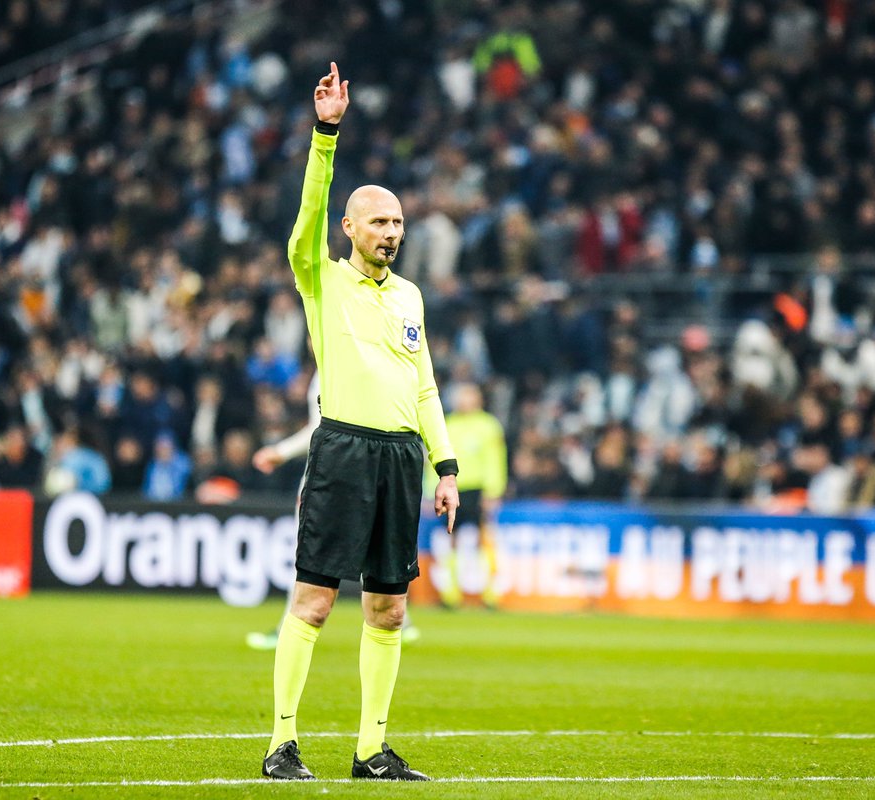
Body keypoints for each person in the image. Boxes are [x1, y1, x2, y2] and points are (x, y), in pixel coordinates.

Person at [261, 63, 459, 783]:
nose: (392, 232)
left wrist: (446, 466)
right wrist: (326, 137)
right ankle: (282, 743)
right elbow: (306, 217)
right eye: (379, 221)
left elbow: (425, 383)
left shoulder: (408, 297)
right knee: (314, 600)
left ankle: (371, 750)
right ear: (349, 228)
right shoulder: (319, 274)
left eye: (399, 222)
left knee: (387, 611)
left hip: (401, 458)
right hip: (343, 450)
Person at [246, 371, 422, 650]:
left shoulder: (332, 364)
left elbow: (321, 428)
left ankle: (287, 628)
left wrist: (281, 450)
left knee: (308, 554)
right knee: (378, 552)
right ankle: (401, 621)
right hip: (374, 469)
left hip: (330, 474)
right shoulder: (370, 359)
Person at [427, 382, 507, 608]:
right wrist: (431, 489)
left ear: (478, 399)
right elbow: (435, 458)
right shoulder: (448, 424)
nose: (464, 401)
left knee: (484, 538)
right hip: (453, 488)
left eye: (469, 396)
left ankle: (491, 593)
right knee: (450, 538)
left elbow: (495, 460)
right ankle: (451, 593)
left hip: (477, 489)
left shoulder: (488, 426)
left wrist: (493, 491)